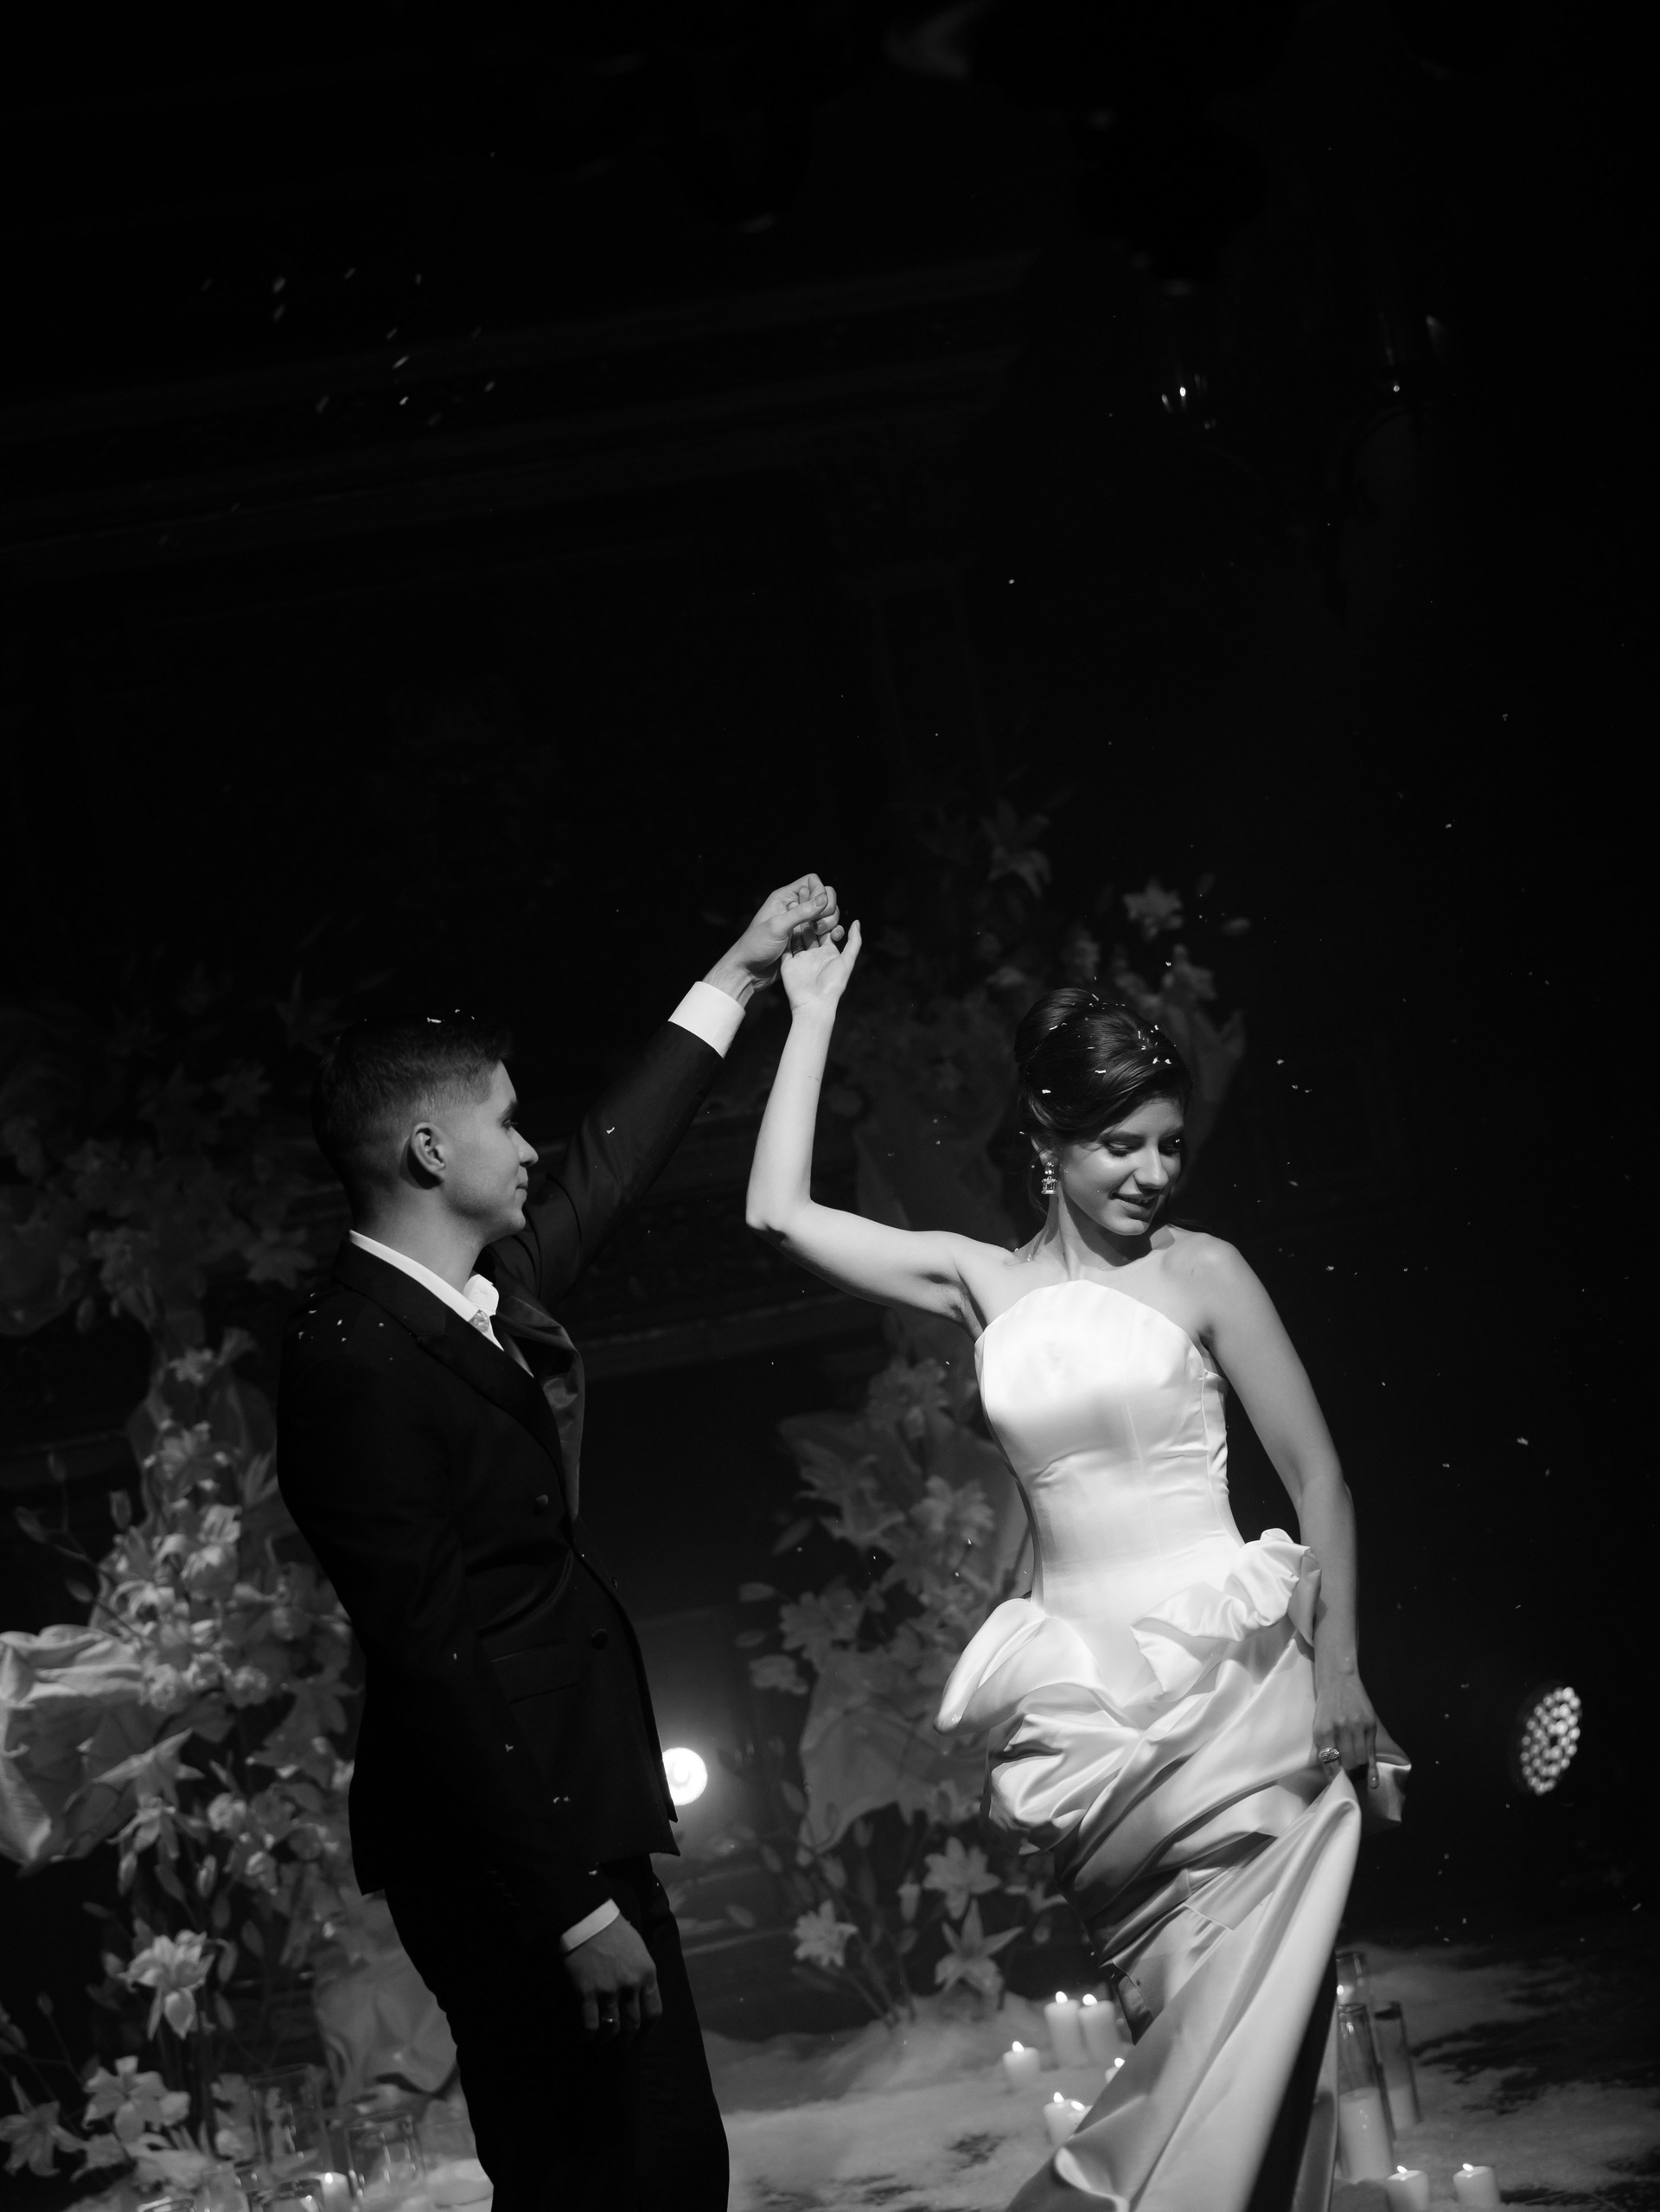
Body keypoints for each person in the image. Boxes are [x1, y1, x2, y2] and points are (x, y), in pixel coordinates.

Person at [746, 934, 1408, 2212]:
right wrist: (810, 1009)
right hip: (1090, 1719)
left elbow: (1319, 1476)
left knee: (1260, 2039)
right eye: (1123, 1145)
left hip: (1234, 1694)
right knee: (1181, 2028)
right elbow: (777, 1212)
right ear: (1048, 1139)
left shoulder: (1203, 1272)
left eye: (1170, 1144)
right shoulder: (981, 1282)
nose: (1155, 1172)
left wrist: (1341, 1673)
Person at [277, 874, 842, 2212]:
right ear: (430, 1149)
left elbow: (610, 1162)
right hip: (506, 1854)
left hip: (573, 1814)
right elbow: (432, 1656)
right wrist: (570, 1907)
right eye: (506, 1119)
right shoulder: (354, 1359)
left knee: (667, 2167)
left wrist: (741, 970)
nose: (531, 1147)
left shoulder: (475, 1290)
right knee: (598, 2178)